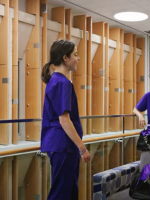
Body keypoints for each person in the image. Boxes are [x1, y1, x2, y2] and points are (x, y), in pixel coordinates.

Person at [41, 39, 91, 200]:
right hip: (63, 145)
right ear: (65, 58)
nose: (78, 58)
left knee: (68, 190)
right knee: (62, 193)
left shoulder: (56, 81)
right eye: (75, 55)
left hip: (62, 145)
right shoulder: (62, 83)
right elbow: (64, 120)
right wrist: (82, 148)